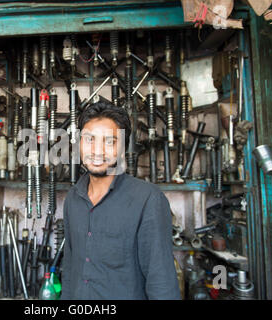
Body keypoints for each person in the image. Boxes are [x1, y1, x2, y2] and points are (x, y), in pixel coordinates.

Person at [60, 101, 181, 300]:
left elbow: (162, 283)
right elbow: (71, 269)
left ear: (123, 148)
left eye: (109, 142)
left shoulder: (147, 200)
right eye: (89, 139)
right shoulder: (73, 198)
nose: (97, 151)